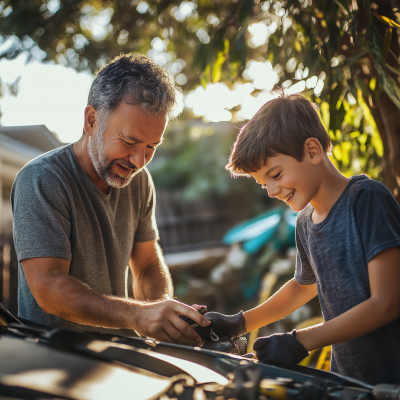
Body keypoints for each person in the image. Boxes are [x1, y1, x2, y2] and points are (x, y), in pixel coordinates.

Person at [202, 90, 400, 384]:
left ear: (312, 151)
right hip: (350, 382)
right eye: (262, 183)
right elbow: (302, 287)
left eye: (276, 174)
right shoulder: (305, 222)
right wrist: (238, 324)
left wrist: (300, 341)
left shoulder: (367, 200)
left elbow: (387, 302)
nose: (270, 190)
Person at [11, 54, 209, 345]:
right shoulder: (42, 179)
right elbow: (49, 288)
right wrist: (140, 315)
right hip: (51, 360)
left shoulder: (139, 181)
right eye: (129, 142)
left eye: (151, 146)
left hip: (120, 355)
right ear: (92, 120)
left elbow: (147, 265)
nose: (139, 160)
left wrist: (164, 312)